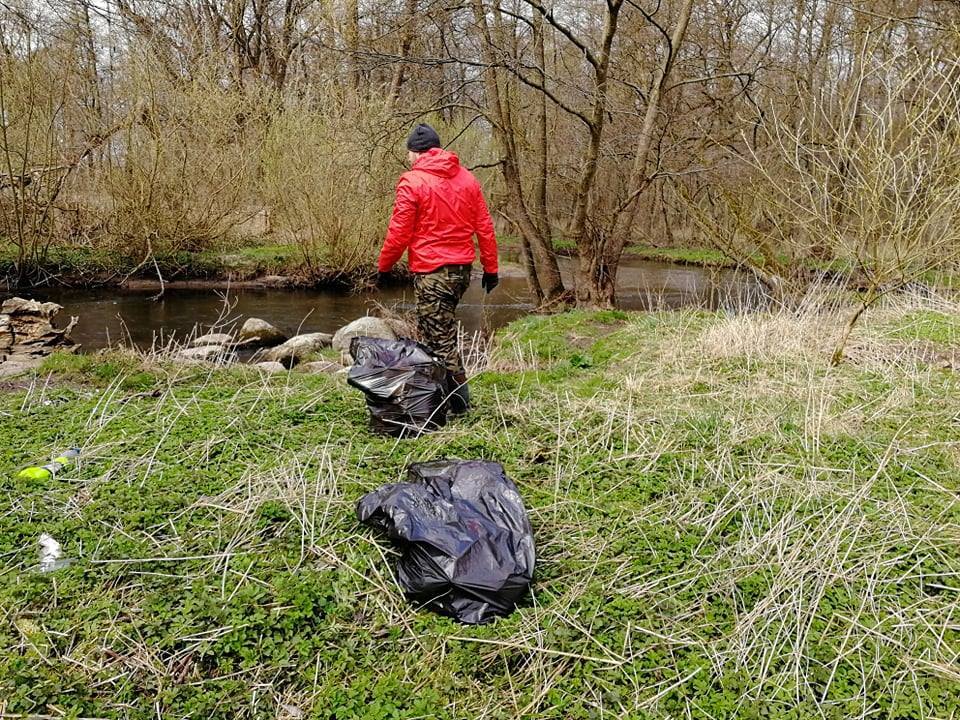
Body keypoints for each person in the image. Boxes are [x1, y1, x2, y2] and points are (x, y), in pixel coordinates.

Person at [377, 123, 499, 414]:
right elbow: (484, 227)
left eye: (408, 153)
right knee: (439, 334)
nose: (407, 158)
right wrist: (491, 268)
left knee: (439, 341)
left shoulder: (412, 181)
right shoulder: (467, 179)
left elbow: (399, 232)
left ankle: (459, 407)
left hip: (433, 272)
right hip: (461, 272)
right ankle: (438, 400)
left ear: (416, 152)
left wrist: (384, 267)